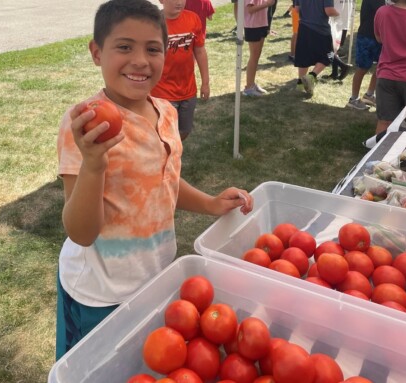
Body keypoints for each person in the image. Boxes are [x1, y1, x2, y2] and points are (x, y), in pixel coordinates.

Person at [55, 0, 254, 360]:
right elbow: (81, 232)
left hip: (154, 279)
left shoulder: (165, 112)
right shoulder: (86, 126)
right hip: (101, 294)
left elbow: (163, 183)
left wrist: (209, 203)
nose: (140, 60)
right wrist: (95, 164)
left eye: (153, 49)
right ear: (97, 53)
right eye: (124, 47)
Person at [151, 0, 210, 141]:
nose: (179, 2)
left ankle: (173, 155)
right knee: (163, 134)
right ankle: (166, 159)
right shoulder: (153, 23)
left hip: (188, 90)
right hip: (161, 92)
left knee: (184, 130)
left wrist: (205, 83)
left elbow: (200, 51)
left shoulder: (192, 19)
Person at [373, 0, 406, 134]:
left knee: (385, 121)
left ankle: (379, 153)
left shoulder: (382, 11)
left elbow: (379, 38)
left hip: (387, 75)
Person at [294, 0, 339, 96]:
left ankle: (300, 83)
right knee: (330, 55)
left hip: (304, 27)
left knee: (303, 56)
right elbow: (329, 11)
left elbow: (297, 9)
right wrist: (338, 13)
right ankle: (312, 76)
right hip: (320, 30)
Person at [346, 0, 385, 110]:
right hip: (367, 37)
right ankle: (354, 99)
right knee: (363, 68)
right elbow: (384, 10)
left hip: (379, 37)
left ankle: (369, 95)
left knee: (380, 66)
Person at [237, 0, 276, 96]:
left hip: (261, 24)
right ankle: (249, 87)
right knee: (254, 57)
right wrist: (267, 4)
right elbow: (250, 9)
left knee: (256, 57)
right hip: (253, 25)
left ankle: (252, 84)